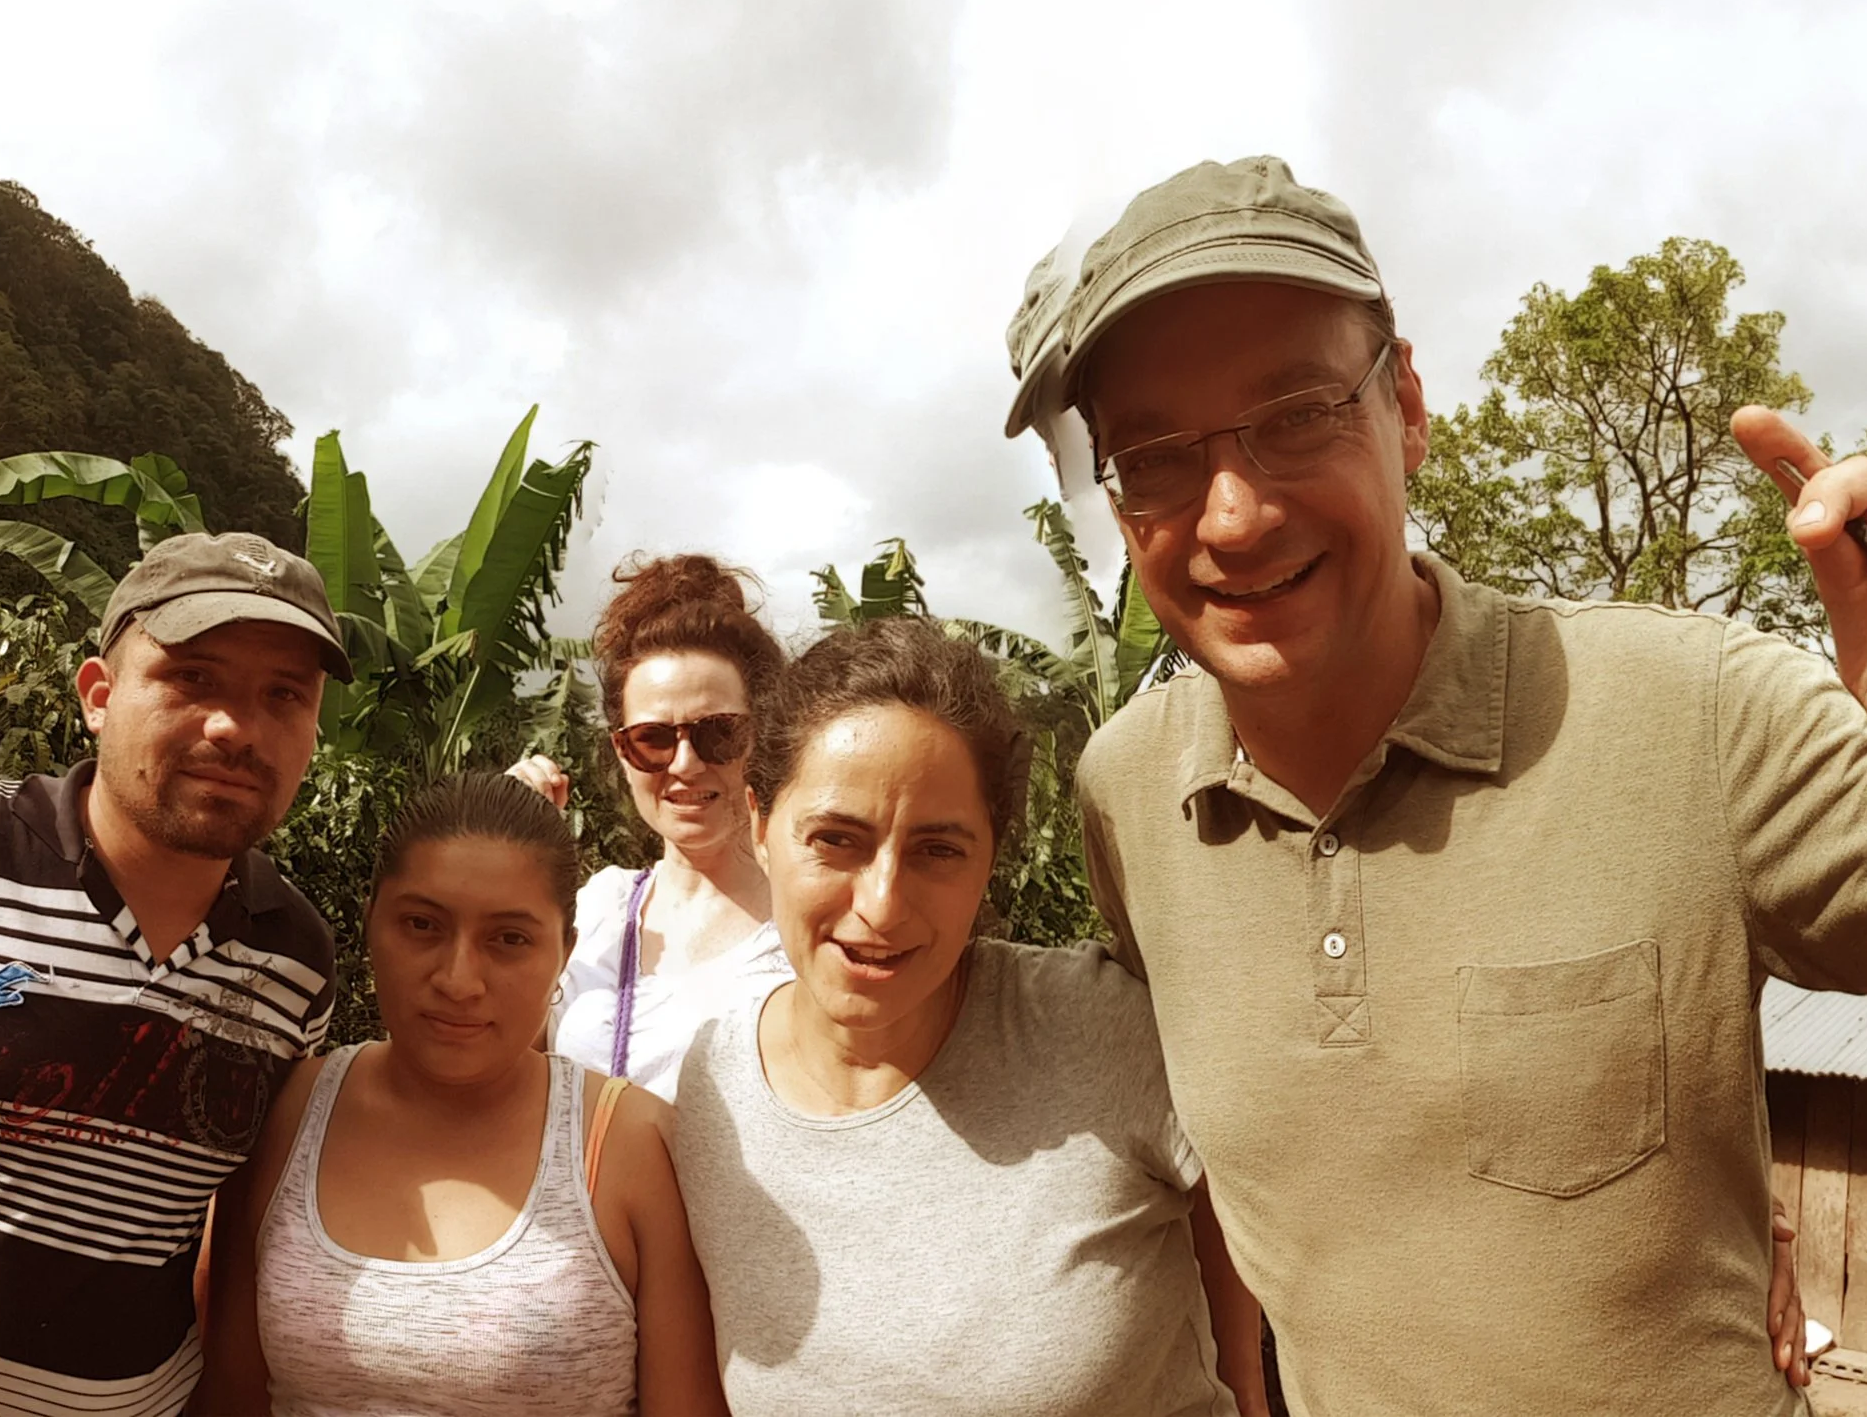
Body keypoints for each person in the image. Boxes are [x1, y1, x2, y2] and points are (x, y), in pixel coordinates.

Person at [1003, 156, 1867, 1414]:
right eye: (1154, 457)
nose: (1231, 515)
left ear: (1405, 404)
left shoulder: (1695, 710)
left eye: (1296, 412)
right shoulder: (1129, 795)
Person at [666, 617, 1268, 1417]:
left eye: (938, 849)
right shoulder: (715, 1090)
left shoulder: (1094, 1027)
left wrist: (1248, 1390)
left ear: (991, 856)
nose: (881, 906)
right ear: (759, 825)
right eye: (837, 839)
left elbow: (1263, 1209)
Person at [0, 531, 352, 1416]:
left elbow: (238, 1227)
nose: (236, 728)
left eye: (285, 696)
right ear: (98, 694)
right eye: (194, 679)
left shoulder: (296, 961)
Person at [193, 774, 726, 1416]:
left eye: (509, 939)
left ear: (564, 954)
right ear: (371, 924)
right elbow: (229, 1396)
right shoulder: (290, 1109)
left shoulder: (628, 1146)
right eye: (422, 924)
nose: (459, 979)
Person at [509, 554, 792, 1099]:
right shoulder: (597, 910)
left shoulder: (806, 924)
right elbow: (493, 1064)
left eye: (719, 734)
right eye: (653, 739)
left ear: (763, 735)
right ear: (621, 750)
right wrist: (506, 860)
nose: (685, 764)